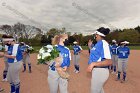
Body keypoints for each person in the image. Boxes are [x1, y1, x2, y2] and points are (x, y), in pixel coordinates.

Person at [87, 27, 112, 93]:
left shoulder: (104, 44)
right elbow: (94, 55)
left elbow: (109, 61)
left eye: (95, 35)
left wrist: (93, 64)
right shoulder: (98, 44)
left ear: (98, 35)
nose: (95, 36)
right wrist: (90, 47)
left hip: (100, 71)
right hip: (97, 71)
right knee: (100, 90)